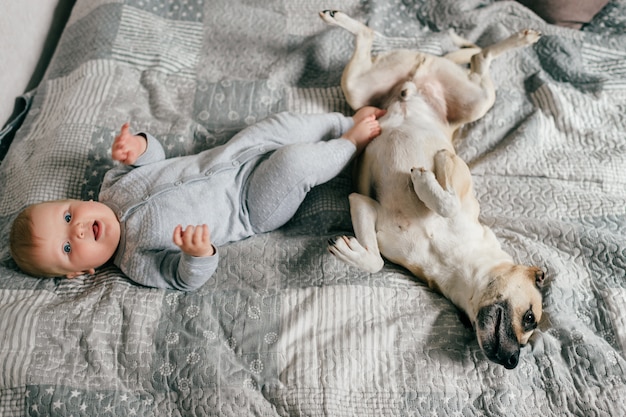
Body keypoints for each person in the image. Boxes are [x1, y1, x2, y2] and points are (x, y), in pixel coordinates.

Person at [9, 107, 384, 291]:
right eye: (68, 249)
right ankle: (349, 143)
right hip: (249, 205)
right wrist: (196, 255)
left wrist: (137, 147)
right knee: (294, 162)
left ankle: (339, 121)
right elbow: (183, 280)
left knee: (277, 126)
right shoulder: (135, 262)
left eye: (66, 217)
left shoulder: (113, 185)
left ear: (76, 201)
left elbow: (154, 158)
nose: (76, 232)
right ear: (82, 273)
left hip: (229, 155)